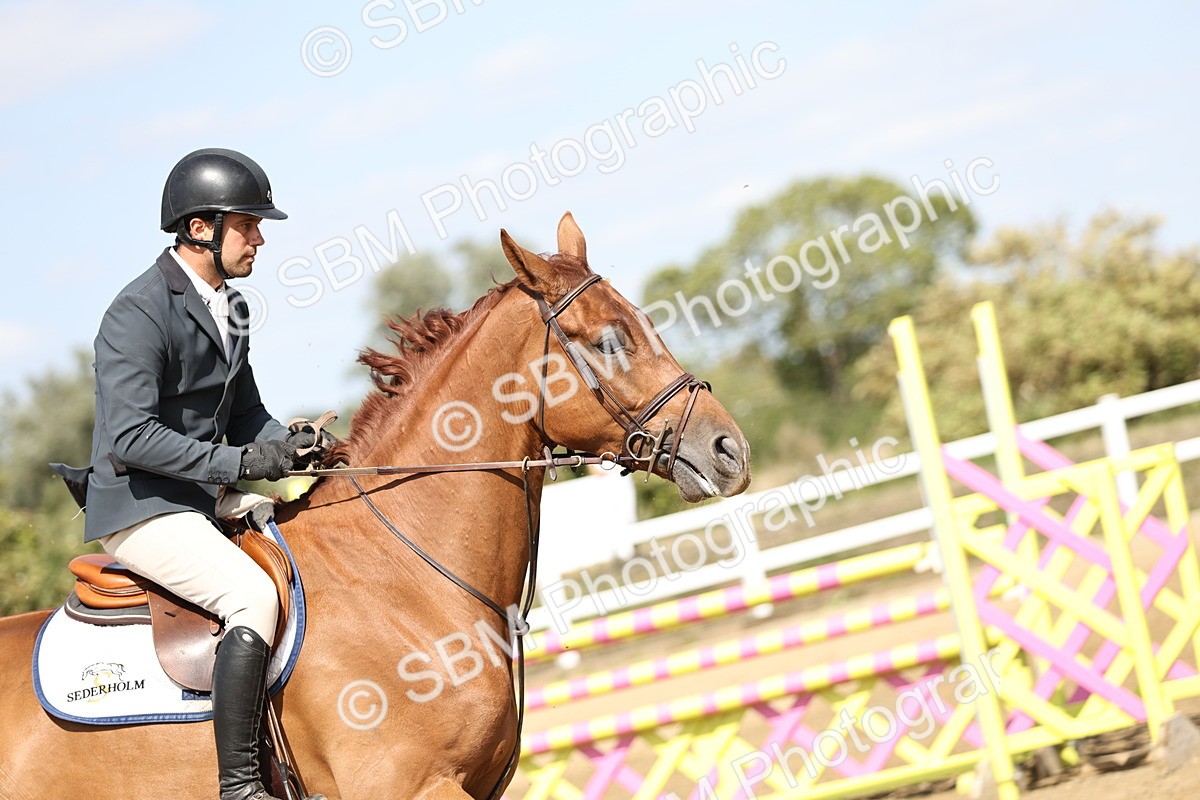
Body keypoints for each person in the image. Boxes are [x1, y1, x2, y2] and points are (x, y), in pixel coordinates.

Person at [53, 148, 328, 800]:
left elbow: (248, 413)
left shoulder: (230, 307)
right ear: (200, 228)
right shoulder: (138, 313)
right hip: (141, 507)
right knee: (251, 598)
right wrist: (240, 464)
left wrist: (294, 446)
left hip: (204, 500)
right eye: (248, 224)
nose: (260, 237)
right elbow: (129, 437)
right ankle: (239, 787)